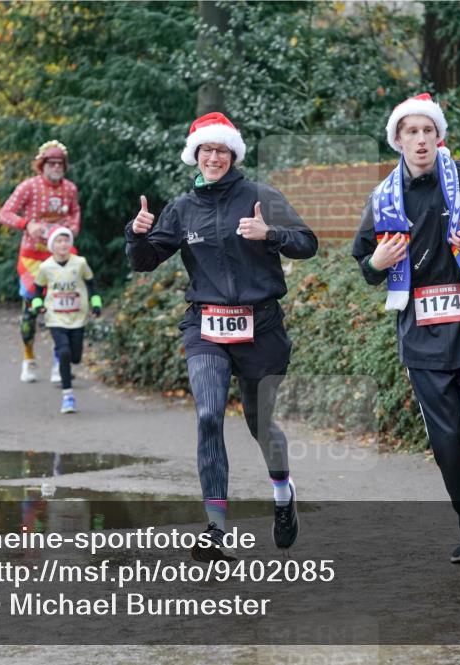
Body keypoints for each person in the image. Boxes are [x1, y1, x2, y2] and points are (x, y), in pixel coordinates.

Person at [126, 112, 317, 561]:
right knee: (209, 413)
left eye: (221, 150)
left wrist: (269, 234)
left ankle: (283, 495)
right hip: (206, 326)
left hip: (261, 327)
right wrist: (136, 236)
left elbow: (307, 243)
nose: (213, 157)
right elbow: (147, 260)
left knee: (258, 423)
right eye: (205, 150)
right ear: (196, 155)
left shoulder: (260, 196)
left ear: (233, 154)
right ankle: (215, 528)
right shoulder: (182, 207)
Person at [352, 93, 460, 563]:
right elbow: (364, 265)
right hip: (421, 338)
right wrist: (376, 261)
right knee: (447, 444)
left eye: (428, 131)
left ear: (440, 137)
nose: (420, 140)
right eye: (411, 132)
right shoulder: (383, 197)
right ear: (397, 140)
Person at [0, 140, 81, 383]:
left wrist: (73, 228)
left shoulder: (70, 189)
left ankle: (59, 363)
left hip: (61, 257)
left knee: (62, 309)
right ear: (42, 165)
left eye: (60, 164)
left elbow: (75, 213)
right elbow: (5, 213)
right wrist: (27, 224)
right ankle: (29, 359)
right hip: (32, 258)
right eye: (51, 163)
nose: (56, 167)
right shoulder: (28, 187)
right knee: (31, 310)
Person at [31, 226, 102, 413]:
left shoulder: (80, 263)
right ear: (52, 245)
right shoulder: (45, 267)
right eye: (58, 241)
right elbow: (37, 290)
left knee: (76, 357)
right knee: (63, 353)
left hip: (78, 316)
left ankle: (65, 360)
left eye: (66, 240)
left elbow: (91, 284)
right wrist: (38, 305)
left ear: (71, 243)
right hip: (55, 316)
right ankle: (68, 396)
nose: (63, 244)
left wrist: (96, 304)